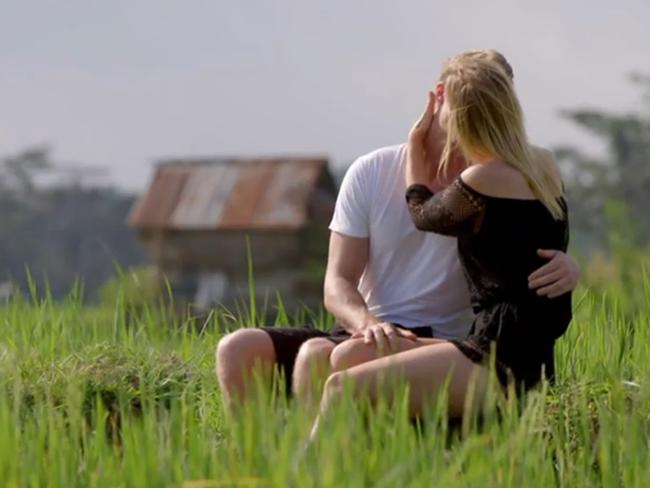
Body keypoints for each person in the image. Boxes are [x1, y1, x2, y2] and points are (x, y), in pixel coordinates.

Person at [215, 50, 580, 410]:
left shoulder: (504, 178)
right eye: (470, 106)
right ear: (439, 97)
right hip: (370, 328)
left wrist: (568, 264)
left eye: (492, 104)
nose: (480, 118)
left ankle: (324, 460)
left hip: (452, 340)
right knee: (240, 349)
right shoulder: (371, 170)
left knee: (326, 357)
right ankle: (260, 461)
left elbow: (531, 241)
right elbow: (337, 281)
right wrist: (368, 323)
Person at [307, 55, 573, 438]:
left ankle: (300, 476)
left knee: (339, 389)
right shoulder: (544, 164)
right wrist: (571, 264)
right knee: (350, 354)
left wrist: (415, 149)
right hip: (521, 347)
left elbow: (424, 215)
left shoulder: (484, 177)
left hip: (499, 357)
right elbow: (552, 242)